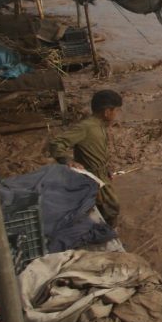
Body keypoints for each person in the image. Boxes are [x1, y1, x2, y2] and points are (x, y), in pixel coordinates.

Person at [48, 89, 123, 227]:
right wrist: (68, 161)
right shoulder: (86, 127)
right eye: (116, 111)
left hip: (101, 174)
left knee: (103, 206)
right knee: (112, 206)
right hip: (91, 176)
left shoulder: (99, 126)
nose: (117, 115)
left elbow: (98, 151)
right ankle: (108, 235)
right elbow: (56, 143)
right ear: (107, 112)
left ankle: (104, 230)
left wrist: (107, 170)